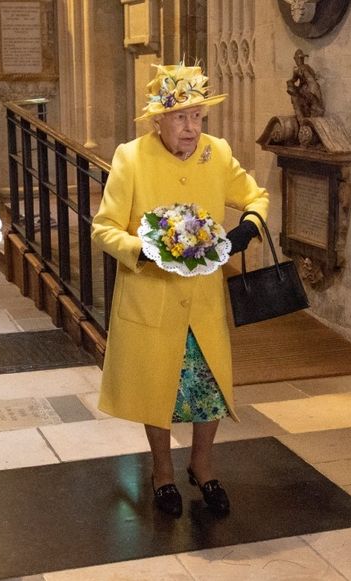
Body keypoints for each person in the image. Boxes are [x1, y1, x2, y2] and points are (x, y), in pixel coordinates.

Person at [91, 63, 269, 518]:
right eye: (181, 117)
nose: (191, 128)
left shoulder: (217, 152)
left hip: (204, 298)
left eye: (197, 117)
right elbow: (104, 228)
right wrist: (142, 250)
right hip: (153, 296)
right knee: (160, 388)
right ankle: (162, 472)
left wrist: (249, 226)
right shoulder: (131, 157)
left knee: (208, 386)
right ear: (158, 121)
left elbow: (256, 195)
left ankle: (203, 465)